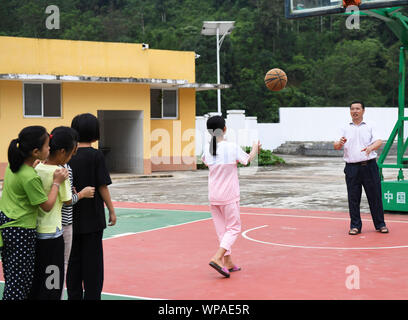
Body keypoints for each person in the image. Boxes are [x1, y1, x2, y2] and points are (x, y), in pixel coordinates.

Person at [0, 126, 68, 300]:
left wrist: (34, 164)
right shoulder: (30, 177)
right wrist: (56, 182)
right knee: (20, 284)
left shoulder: (13, 167)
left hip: (8, 227)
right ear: (36, 152)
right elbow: (46, 205)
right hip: (21, 231)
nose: (50, 149)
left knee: (13, 278)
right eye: (47, 146)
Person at [202, 115, 261, 278]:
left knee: (223, 231)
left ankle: (228, 262)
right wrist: (255, 148)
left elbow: (206, 162)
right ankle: (217, 257)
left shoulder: (207, 149)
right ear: (225, 129)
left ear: (209, 132)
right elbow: (247, 160)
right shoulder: (231, 147)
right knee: (234, 228)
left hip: (213, 196)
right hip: (228, 196)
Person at [67, 113, 117, 300]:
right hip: (93, 219)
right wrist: (111, 210)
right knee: (93, 264)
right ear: (95, 133)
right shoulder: (96, 156)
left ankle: (74, 296)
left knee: (73, 262)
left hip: (71, 218)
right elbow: (102, 185)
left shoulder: (68, 155)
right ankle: (92, 296)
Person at [29, 126, 78, 300]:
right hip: (54, 234)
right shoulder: (61, 173)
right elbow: (66, 200)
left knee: (37, 276)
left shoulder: (36, 169)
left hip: (35, 231)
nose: (70, 158)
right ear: (63, 152)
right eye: (71, 154)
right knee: (54, 278)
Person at [334, 100, 389, 235]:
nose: (355, 111)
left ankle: (380, 224)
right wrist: (339, 143)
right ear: (350, 111)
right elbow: (336, 145)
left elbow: (379, 141)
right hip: (352, 168)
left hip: (369, 166)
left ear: (363, 111)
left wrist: (370, 147)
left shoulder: (371, 125)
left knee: (375, 196)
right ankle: (355, 226)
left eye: (358, 109)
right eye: (352, 109)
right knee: (353, 198)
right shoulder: (344, 127)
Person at [59, 128, 95, 300]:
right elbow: (66, 200)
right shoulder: (64, 169)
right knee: (61, 266)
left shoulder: (42, 167)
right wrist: (81, 194)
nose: (75, 153)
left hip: (51, 225)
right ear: (63, 151)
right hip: (64, 224)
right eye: (73, 150)